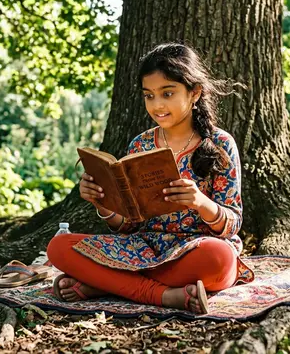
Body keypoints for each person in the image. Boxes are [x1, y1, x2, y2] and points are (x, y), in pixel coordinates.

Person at [47, 43, 254, 315]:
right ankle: (165, 295)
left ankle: (107, 285)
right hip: (142, 250)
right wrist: (103, 204)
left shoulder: (219, 144)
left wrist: (201, 203)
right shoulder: (141, 145)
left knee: (220, 259)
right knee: (59, 247)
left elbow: (233, 223)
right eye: (149, 96)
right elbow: (128, 226)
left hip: (196, 252)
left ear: (194, 93)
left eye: (167, 93)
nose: (157, 105)